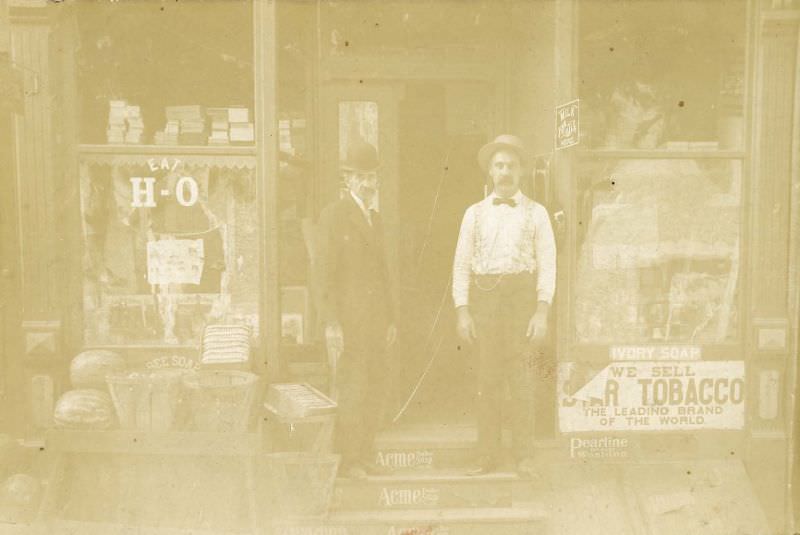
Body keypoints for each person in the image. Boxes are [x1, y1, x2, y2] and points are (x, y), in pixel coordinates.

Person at [451, 134, 556, 477]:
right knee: (488, 379)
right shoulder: (474, 214)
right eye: (499, 165)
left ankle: (524, 456)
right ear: (490, 172)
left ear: (522, 171)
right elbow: (461, 263)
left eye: (511, 165)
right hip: (485, 301)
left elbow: (548, 264)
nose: (505, 172)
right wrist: (463, 309)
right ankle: (487, 455)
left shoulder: (537, 214)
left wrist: (542, 311)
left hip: (522, 301)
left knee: (523, 379)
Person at [316, 140, 397, 479]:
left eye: (372, 177)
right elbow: (323, 274)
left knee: (374, 387)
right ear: (347, 178)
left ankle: (365, 455)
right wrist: (332, 322)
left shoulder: (374, 218)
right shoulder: (334, 216)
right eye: (360, 176)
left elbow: (383, 274)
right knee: (352, 388)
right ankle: (349, 461)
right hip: (349, 323)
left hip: (377, 323)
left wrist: (392, 319)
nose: (367, 184)